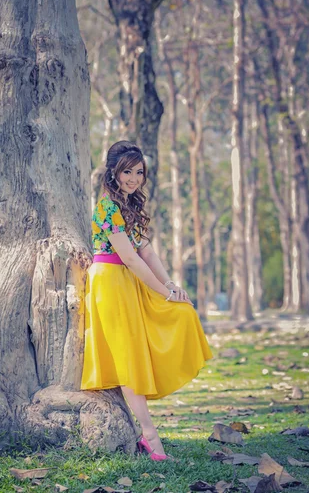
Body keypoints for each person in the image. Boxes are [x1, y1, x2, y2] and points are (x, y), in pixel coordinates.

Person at [80, 140, 213, 461]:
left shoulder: (127, 205)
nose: (134, 178)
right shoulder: (106, 206)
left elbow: (147, 252)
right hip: (111, 282)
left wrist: (169, 284)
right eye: (127, 171)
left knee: (180, 314)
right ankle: (151, 439)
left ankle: (150, 438)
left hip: (128, 281)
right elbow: (129, 257)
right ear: (113, 171)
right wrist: (161, 290)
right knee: (128, 361)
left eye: (139, 172)